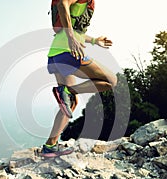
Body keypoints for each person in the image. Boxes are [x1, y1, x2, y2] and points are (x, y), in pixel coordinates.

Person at [41, 0, 117, 157]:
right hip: (69, 52)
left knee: (69, 103)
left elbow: (77, 31)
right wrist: (70, 37)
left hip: (56, 54)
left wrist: (95, 41)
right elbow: (63, 3)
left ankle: (50, 146)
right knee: (111, 80)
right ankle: (68, 90)